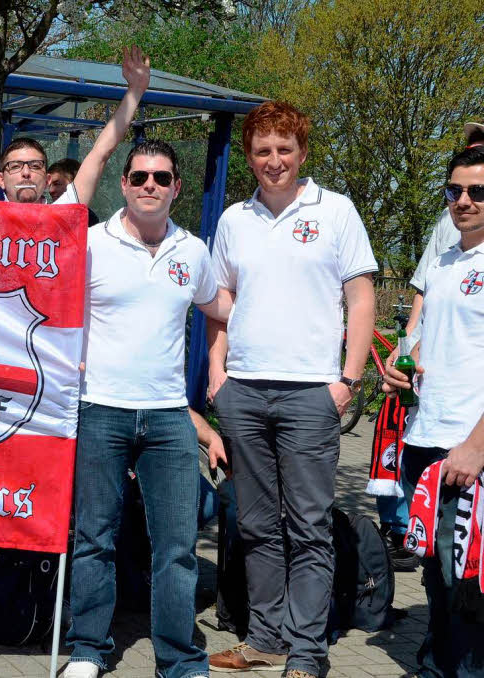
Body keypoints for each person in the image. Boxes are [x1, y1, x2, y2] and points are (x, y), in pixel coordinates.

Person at [205, 101, 377, 678]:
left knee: (308, 526)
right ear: (250, 157)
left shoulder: (337, 212)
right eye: (262, 151)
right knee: (255, 524)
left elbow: (361, 299)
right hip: (245, 391)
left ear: (302, 152)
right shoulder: (234, 220)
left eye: (284, 149)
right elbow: (222, 303)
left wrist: (347, 382)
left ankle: (307, 652)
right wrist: (216, 372)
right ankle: (265, 639)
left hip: (311, 394)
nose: (273, 160)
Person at [65, 140, 233, 678]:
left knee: (178, 547)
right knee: (94, 539)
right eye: (139, 177)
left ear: (177, 187)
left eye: (162, 178)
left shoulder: (193, 251)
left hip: (167, 417)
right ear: (124, 184)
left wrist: (218, 366)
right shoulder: (91, 244)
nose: (150, 187)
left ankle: (178, 659)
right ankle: (88, 650)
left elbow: (222, 309)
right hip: (100, 409)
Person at [382, 145, 484, 678]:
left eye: (477, 192)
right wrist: (405, 367)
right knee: (433, 570)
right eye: (455, 191)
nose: (464, 201)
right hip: (426, 435)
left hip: (468, 443)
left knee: (465, 576)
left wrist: (476, 445)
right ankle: (436, 665)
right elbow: (426, 342)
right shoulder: (444, 260)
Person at [0, 22, 149, 210]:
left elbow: (101, 153)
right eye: (15, 166)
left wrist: (135, 91)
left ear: (47, 179)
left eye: (35, 166)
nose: (26, 172)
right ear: (0, 179)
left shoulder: (65, 213)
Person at [47, 158, 101, 224]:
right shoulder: (44, 215)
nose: (51, 190)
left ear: (75, 183)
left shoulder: (89, 220)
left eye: (57, 184)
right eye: (48, 185)